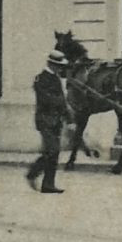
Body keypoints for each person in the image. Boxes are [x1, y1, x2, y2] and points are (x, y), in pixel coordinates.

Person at [25, 49, 70, 193]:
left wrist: (69, 118)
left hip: (56, 120)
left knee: (53, 153)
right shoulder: (41, 79)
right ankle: (33, 173)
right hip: (45, 119)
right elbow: (46, 99)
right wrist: (60, 102)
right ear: (51, 64)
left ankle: (48, 184)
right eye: (58, 65)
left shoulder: (56, 78)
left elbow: (62, 101)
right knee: (52, 150)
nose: (60, 68)